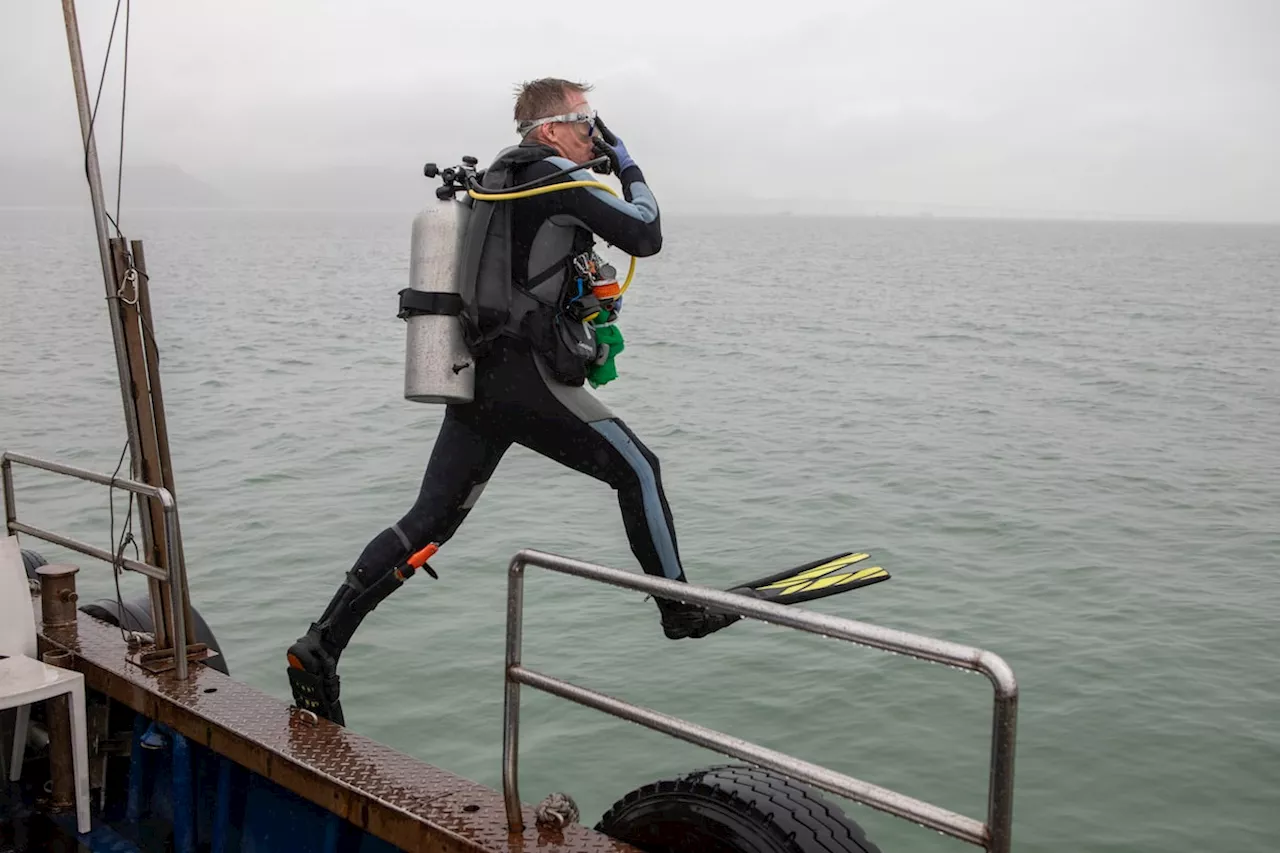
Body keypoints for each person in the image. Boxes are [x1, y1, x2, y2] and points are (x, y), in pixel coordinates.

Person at [285, 78, 735, 726]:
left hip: (479, 381)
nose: (595, 132)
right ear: (550, 129)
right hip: (527, 379)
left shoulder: (499, 178)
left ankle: (319, 646)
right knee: (638, 469)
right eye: (586, 120)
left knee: (427, 523)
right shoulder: (556, 179)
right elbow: (646, 232)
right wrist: (628, 160)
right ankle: (679, 607)